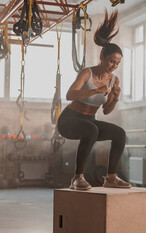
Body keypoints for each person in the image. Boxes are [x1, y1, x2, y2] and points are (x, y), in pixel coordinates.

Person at [57, 9, 131, 190]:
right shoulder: (87, 73)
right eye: (112, 61)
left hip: (90, 122)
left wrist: (115, 97)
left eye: (117, 63)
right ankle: (76, 178)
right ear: (102, 57)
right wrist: (96, 90)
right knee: (91, 129)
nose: (114, 66)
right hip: (69, 120)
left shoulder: (114, 79)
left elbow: (106, 110)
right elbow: (70, 95)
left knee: (119, 134)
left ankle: (111, 178)